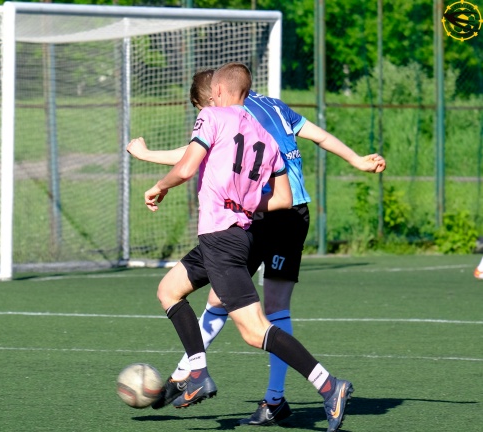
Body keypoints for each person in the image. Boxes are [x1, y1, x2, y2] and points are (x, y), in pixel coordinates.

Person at [127, 68, 385, 426]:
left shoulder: (216, 117)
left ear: (216, 93)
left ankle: (324, 386)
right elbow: (303, 158)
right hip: (250, 222)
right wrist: (355, 160)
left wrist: (155, 174)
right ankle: (193, 371)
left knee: (257, 325)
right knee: (176, 291)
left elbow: (190, 161)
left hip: (240, 230)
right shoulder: (265, 125)